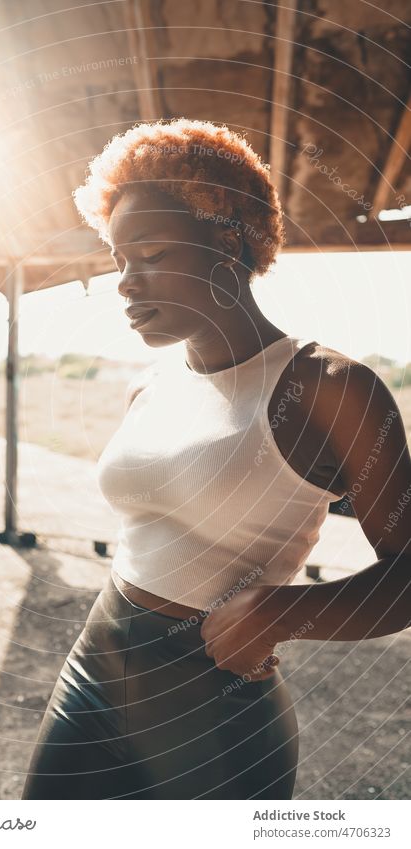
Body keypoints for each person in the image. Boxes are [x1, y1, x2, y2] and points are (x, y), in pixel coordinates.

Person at [21, 118, 411, 800]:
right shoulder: (151, 385)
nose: (124, 282)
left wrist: (287, 610)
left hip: (214, 715)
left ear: (227, 242)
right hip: (95, 669)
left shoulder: (327, 386)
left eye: (150, 253)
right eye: (118, 259)